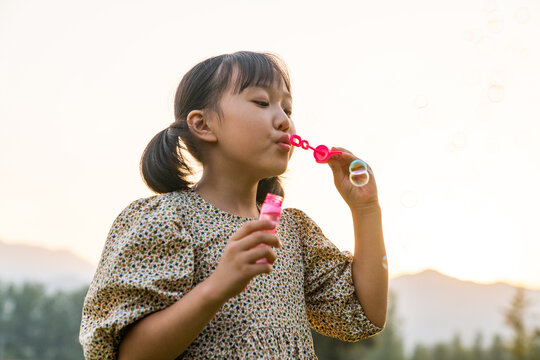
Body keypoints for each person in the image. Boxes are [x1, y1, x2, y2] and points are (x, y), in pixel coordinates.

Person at [79, 51, 388, 360]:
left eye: (288, 108)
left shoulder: (294, 232)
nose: (284, 120)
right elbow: (130, 355)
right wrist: (219, 285)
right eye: (262, 103)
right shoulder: (167, 221)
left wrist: (366, 209)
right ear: (203, 124)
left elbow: (365, 314)